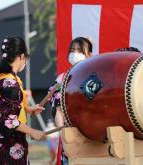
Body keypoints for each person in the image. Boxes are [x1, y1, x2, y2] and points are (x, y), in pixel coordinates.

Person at [0, 36, 46, 164]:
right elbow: (8, 120)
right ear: (21, 56)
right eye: (26, 57)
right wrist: (32, 132)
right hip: (12, 146)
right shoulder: (11, 85)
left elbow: (1, 107)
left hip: (0, 145)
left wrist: (27, 108)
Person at [48, 37, 93, 165]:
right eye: (72, 50)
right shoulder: (61, 79)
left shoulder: (95, 76)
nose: (75, 53)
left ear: (89, 55)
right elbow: (57, 108)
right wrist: (63, 132)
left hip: (93, 134)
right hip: (70, 134)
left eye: (80, 50)